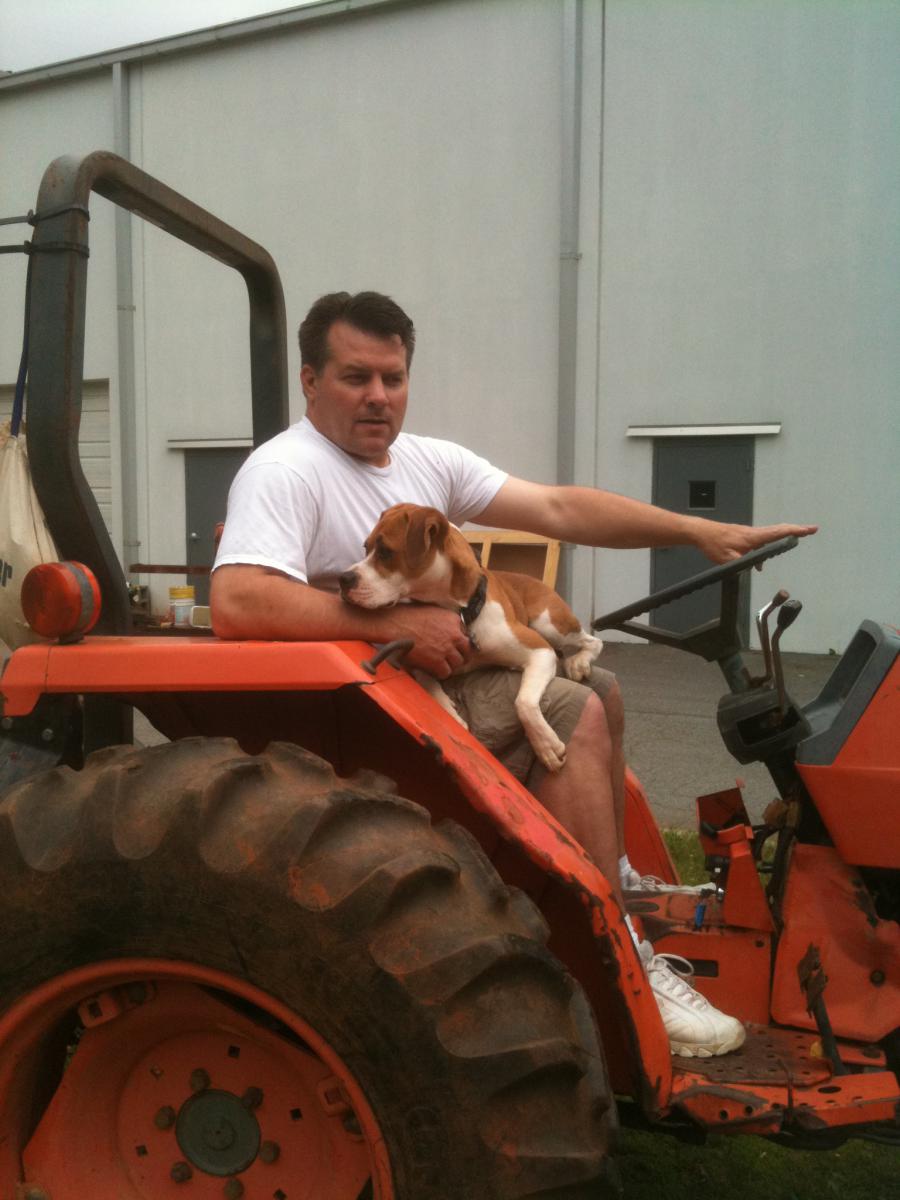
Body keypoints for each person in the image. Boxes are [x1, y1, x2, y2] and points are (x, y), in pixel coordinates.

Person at [211, 291, 817, 1058]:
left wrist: (698, 529)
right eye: (355, 376)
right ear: (309, 379)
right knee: (571, 709)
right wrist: (395, 624)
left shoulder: (428, 462)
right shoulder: (287, 469)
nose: (378, 396)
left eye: (392, 378)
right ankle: (615, 951)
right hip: (378, 698)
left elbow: (561, 508)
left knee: (603, 683)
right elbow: (236, 600)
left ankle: (614, 875)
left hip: (444, 668)